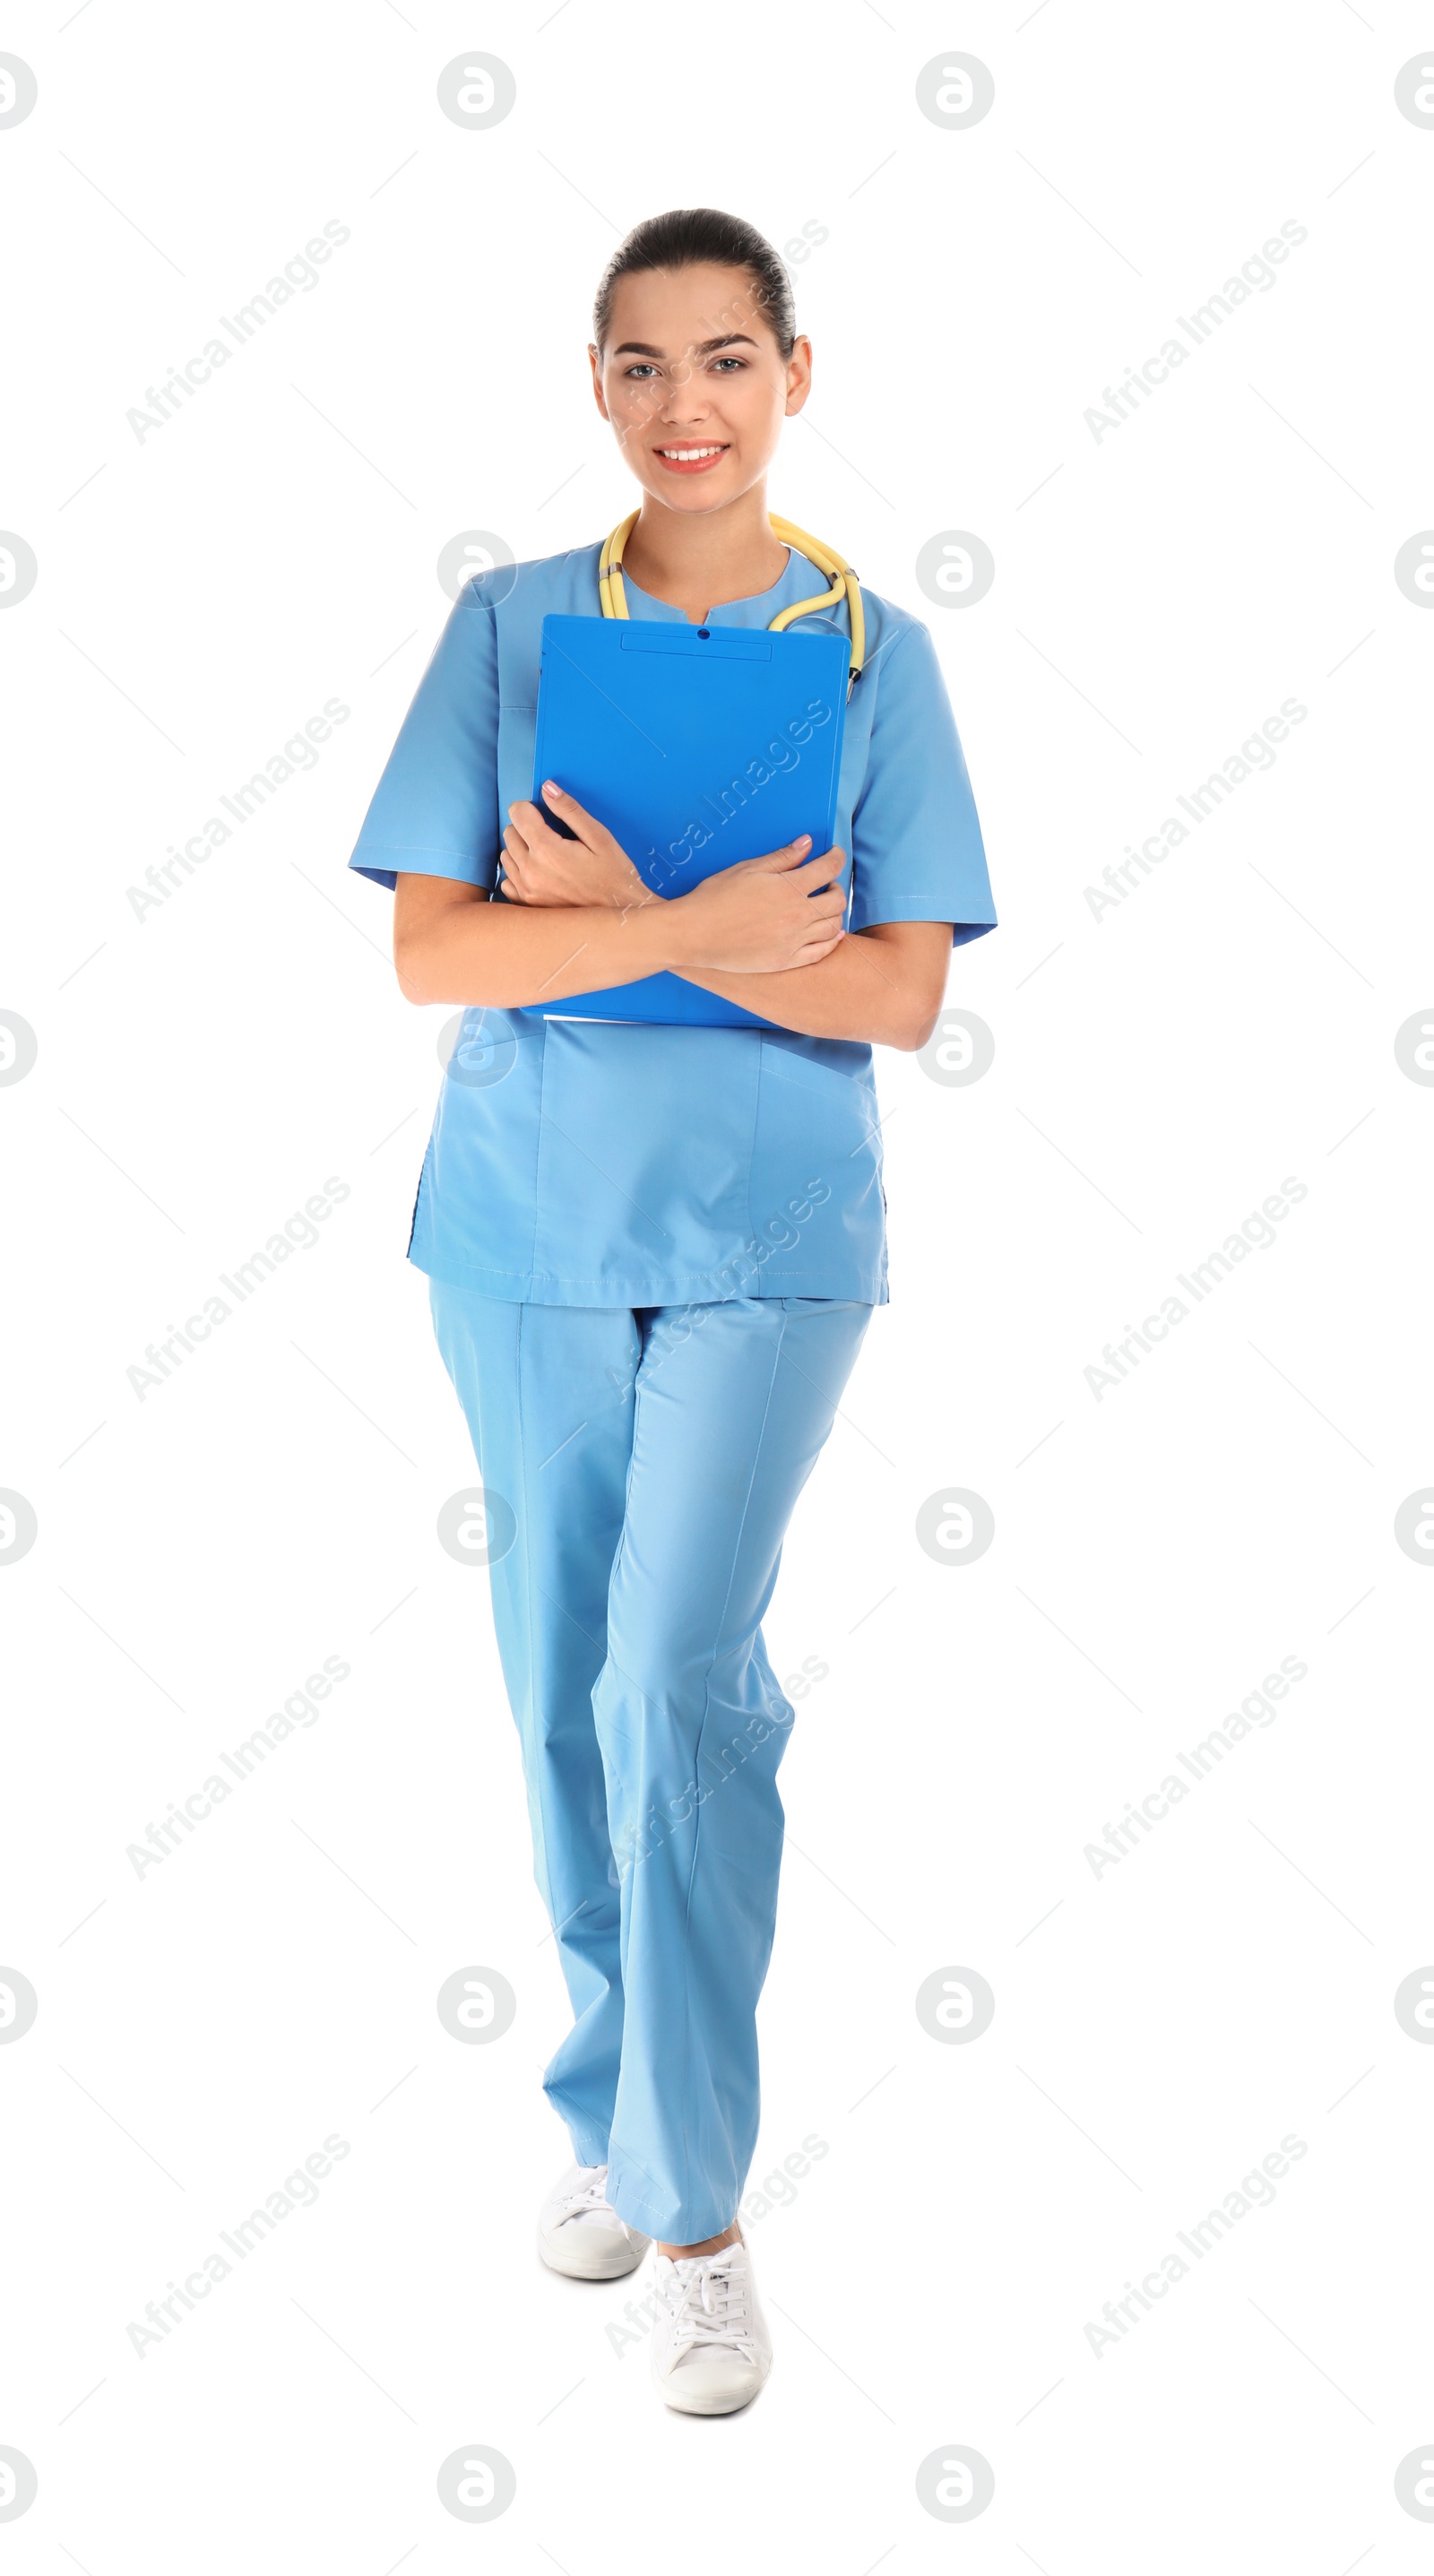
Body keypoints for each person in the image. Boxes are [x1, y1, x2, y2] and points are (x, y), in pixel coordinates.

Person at [348, 206, 996, 2415]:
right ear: (596, 388)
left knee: (670, 1683)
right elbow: (438, 954)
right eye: (642, 366)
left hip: (770, 1238)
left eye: (728, 360)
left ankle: (699, 2211)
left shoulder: (868, 655)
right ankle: (616, 2116)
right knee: (555, 1685)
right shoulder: (510, 628)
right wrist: (719, 926)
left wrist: (633, 912)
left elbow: (899, 995)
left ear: (795, 376)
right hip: (526, 1227)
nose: (685, 406)